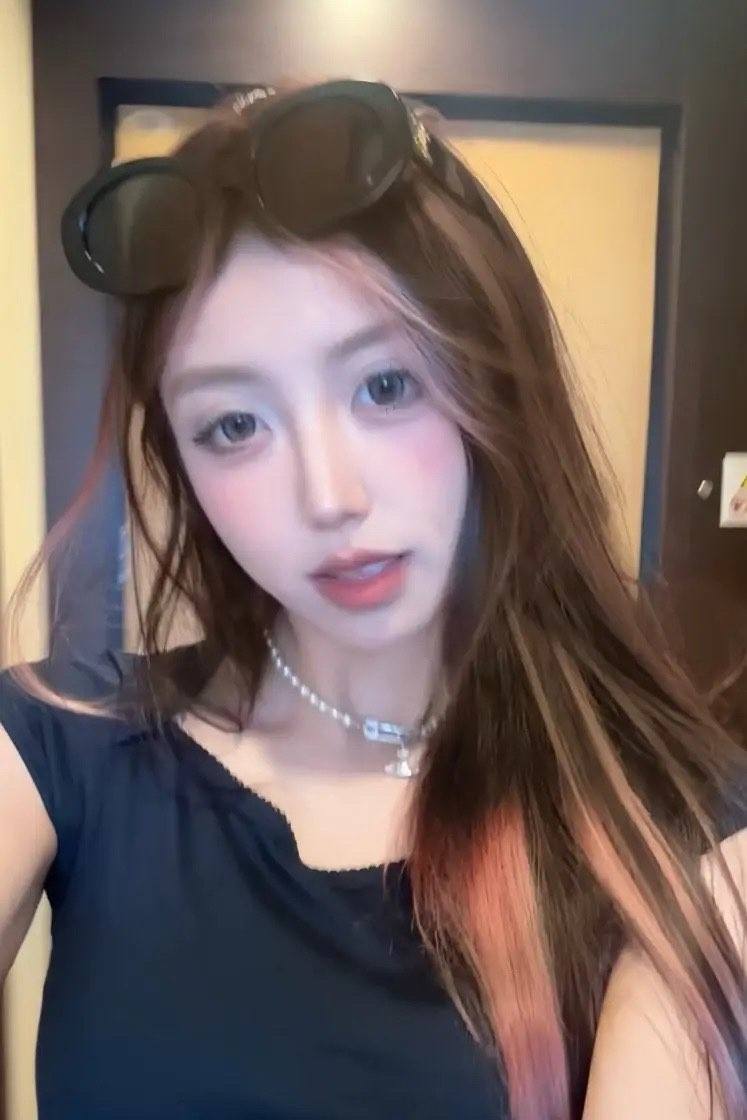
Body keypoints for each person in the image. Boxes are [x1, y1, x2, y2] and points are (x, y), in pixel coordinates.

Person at [1, 78, 745, 1120]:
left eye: (386, 386)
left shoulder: (679, 826)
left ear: (496, 383)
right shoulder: (63, 740)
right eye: (234, 426)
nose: (329, 496)